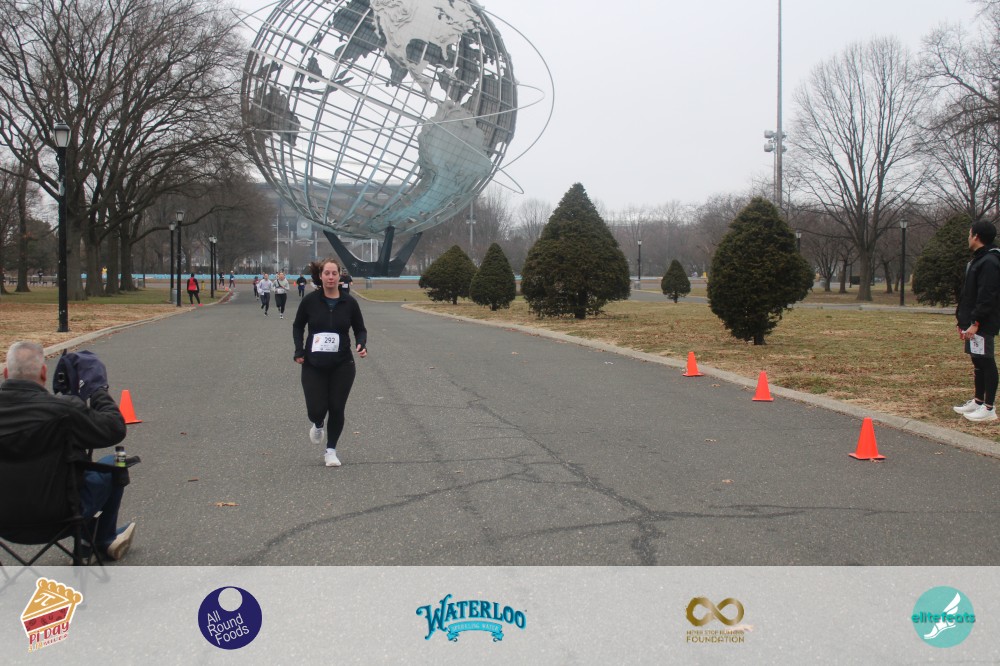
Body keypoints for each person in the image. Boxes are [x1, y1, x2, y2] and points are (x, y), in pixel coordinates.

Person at [0, 341, 137, 561]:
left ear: (6, 373)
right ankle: (99, 539)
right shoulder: (64, 409)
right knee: (115, 462)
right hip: (63, 518)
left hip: (5, 524)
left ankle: (96, 538)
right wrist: (98, 390)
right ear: (44, 373)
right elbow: (115, 429)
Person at [292, 258, 367, 467]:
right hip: (313, 363)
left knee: (336, 407)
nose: (331, 277)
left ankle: (331, 451)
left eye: (334, 273)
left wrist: (361, 344)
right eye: (327, 273)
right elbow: (298, 326)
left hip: (342, 363)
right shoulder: (310, 301)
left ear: (340, 275)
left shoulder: (349, 303)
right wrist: (299, 350)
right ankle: (317, 423)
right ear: (321, 276)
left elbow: (360, 329)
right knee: (316, 409)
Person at [953, 219, 1000, 422]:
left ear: (976, 237)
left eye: (969, 234)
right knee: (977, 360)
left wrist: (975, 322)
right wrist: (962, 321)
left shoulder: (990, 261)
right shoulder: (978, 260)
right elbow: (969, 294)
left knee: (986, 361)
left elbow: (987, 296)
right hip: (971, 321)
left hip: (982, 323)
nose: (968, 237)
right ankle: (978, 401)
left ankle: (989, 408)